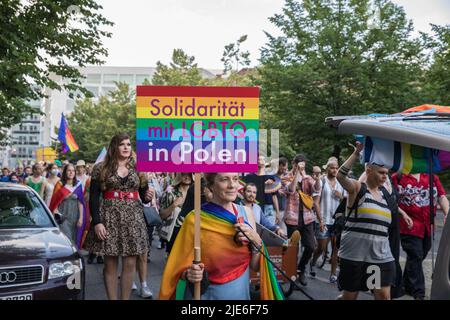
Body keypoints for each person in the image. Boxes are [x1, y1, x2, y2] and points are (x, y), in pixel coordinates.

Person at [159, 172, 282, 300]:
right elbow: (176, 267)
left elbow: (254, 266)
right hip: (205, 295)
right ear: (211, 185)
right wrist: (188, 273)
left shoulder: (247, 213)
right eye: (224, 179)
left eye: (235, 179)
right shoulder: (194, 219)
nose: (232, 185)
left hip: (239, 293)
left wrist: (256, 240)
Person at [83, 133, 153, 300]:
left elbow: (143, 195)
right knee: (110, 263)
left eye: (128, 144)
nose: (126, 147)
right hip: (109, 217)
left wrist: (147, 196)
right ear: (114, 147)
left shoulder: (138, 167)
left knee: (130, 263)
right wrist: (97, 222)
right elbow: (93, 197)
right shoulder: (100, 168)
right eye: (122, 144)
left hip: (133, 218)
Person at [336, 141, 395, 300]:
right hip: (354, 256)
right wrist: (356, 154)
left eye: (386, 173)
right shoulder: (358, 188)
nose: (385, 176)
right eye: (381, 172)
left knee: (381, 295)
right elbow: (340, 176)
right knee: (350, 296)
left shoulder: (385, 195)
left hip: (377, 258)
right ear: (369, 171)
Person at [392, 172, 449, 300]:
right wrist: (401, 214)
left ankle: (406, 285)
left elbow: (441, 196)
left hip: (428, 226)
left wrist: (447, 213)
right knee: (415, 255)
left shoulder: (431, 176)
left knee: (418, 256)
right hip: (409, 225)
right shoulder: (398, 177)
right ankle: (419, 293)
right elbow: (391, 199)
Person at [284, 153, 321, 286]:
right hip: (292, 217)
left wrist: (317, 179)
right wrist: (297, 175)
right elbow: (291, 189)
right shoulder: (287, 177)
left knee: (311, 246)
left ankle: (301, 268)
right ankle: (292, 272)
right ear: (294, 164)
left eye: (303, 166)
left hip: (307, 218)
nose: (301, 168)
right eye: (299, 165)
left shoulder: (308, 178)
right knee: (293, 248)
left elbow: (316, 190)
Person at [310, 157, 346, 283]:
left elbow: (347, 202)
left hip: (337, 222)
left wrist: (341, 196)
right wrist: (320, 221)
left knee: (336, 249)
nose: (335, 170)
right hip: (324, 220)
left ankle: (333, 274)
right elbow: (316, 203)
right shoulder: (321, 181)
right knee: (321, 247)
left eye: (337, 168)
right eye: (332, 168)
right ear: (327, 168)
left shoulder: (342, 183)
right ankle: (313, 262)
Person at [48, 163, 86, 247]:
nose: (71, 173)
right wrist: (57, 214)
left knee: (74, 238)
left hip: (75, 216)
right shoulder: (60, 184)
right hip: (63, 216)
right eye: (69, 170)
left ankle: (72, 259)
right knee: (66, 239)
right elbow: (54, 202)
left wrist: (81, 218)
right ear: (65, 172)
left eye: (73, 171)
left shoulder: (79, 185)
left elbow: (81, 202)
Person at [158, 172, 193, 254]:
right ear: (179, 175)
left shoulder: (196, 193)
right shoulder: (170, 192)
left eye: (190, 174)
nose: (187, 177)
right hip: (175, 232)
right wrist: (174, 205)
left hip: (191, 231)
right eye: (184, 174)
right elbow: (162, 215)